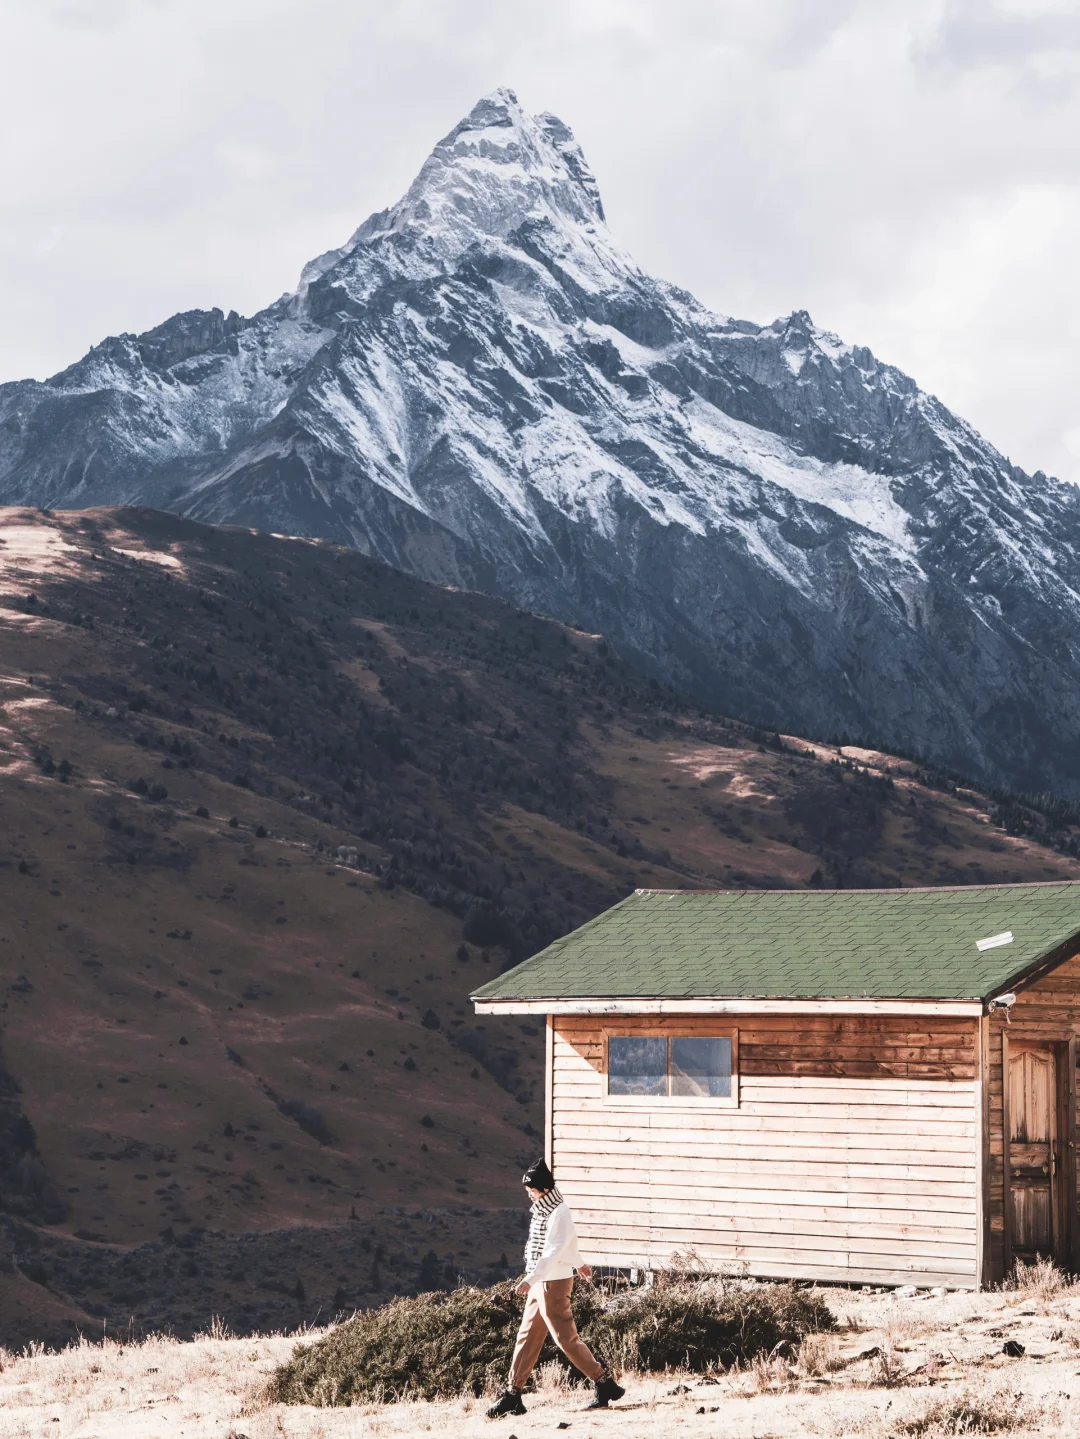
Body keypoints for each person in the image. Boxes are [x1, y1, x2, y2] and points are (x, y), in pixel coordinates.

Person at [487, 1158, 625, 1418]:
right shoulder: (544, 1210)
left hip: (552, 1283)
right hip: (542, 1281)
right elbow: (567, 1246)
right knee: (527, 1337)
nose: (529, 1195)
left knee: (566, 1339)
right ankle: (513, 1394)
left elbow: (554, 1249)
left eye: (532, 1190)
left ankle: (604, 1383)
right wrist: (580, 1264)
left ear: (545, 1189)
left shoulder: (559, 1212)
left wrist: (530, 1279)